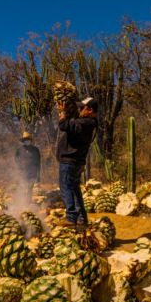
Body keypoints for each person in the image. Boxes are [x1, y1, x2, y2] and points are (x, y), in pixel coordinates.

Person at [55, 97, 98, 228]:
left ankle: (71, 217)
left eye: (82, 108)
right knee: (74, 188)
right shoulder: (86, 122)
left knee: (66, 187)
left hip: (70, 161)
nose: (79, 110)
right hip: (76, 161)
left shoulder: (86, 123)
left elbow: (64, 125)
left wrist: (63, 114)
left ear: (89, 110)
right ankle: (81, 217)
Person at [15, 131, 41, 202]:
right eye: (25, 140)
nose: (27, 141)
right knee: (23, 187)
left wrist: (38, 175)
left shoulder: (35, 150)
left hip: (33, 172)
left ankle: (28, 202)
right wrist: (19, 169)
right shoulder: (19, 150)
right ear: (23, 141)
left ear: (30, 140)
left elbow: (38, 162)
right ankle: (21, 202)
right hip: (23, 172)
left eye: (28, 139)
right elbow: (16, 160)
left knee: (30, 188)